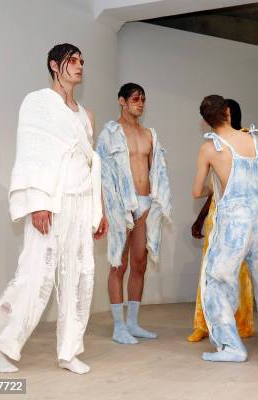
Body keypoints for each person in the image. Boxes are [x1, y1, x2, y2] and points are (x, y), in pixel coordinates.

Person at [0, 43, 108, 375]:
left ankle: (69, 350)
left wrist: (100, 209)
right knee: (35, 275)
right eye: (73, 60)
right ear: (55, 65)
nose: (80, 66)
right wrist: (38, 202)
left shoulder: (86, 114)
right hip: (52, 202)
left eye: (82, 60)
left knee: (80, 277)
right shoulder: (37, 103)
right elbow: (32, 153)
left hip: (82, 203)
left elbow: (90, 163)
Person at [192, 95, 258, 362]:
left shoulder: (210, 148)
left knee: (216, 280)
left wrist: (215, 184)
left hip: (233, 222)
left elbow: (196, 191)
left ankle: (231, 347)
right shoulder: (254, 139)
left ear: (206, 120)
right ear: (228, 112)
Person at [96, 83, 172, 344]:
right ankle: (119, 326)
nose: (140, 103)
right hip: (121, 204)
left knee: (139, 262)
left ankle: (133, 322)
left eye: (143, 99)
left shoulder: (149, 134)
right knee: (119, 262)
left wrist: (156, 200)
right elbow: (102, 174)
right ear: (122, 101)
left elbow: (157, 170)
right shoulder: (110, 133)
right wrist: (103, 211)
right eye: (136, 99)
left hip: (146, 203)